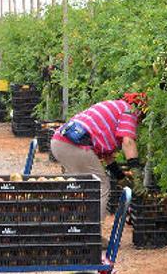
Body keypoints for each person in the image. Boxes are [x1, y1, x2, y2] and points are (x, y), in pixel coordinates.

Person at [50, 94, 146, 226]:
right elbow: (128, 142)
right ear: (140, 109)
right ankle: (92, 232)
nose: (139, 122)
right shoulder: (129, 110)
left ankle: (75, 227)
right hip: (74, 145)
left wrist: (121, 179)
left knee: (84, 187)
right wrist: (137, 176)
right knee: (100, 185)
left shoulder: (114, 109)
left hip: (59, 141)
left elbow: (108, 157)